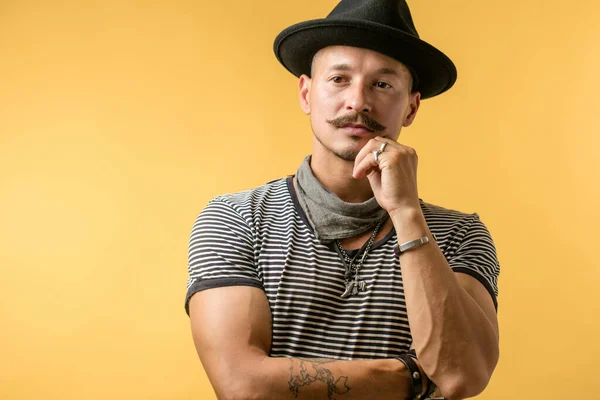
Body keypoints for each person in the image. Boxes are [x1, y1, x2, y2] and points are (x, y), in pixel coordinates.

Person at [184, 0, 500, 399]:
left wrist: (406, 213)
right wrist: (416, 376)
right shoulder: (236, 218)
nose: (358, 102)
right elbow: (243, 386)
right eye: (339, 79)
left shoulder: (459, 234)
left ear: (411, 107)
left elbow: (462, 377)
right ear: (305, 93)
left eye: (382, 85)